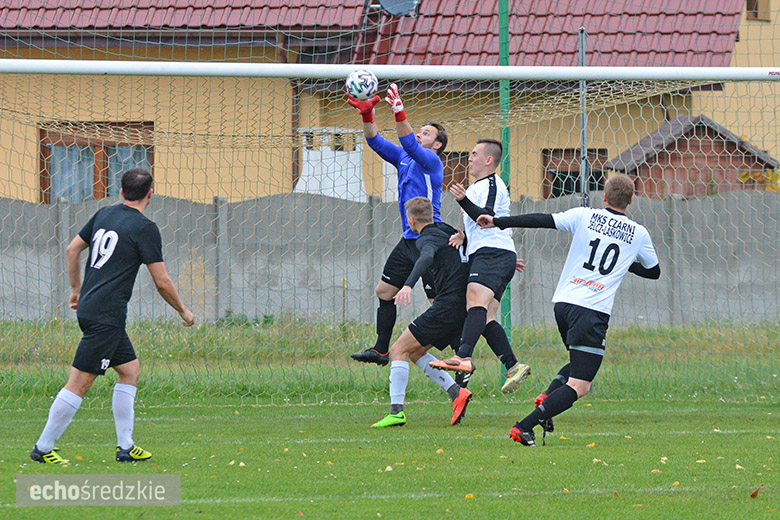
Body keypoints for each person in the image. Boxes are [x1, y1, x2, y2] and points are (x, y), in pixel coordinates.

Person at [476, 174, 660, 446]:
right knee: (581, 384)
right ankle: (524, 425)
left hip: (563, 304)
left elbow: (541, 220)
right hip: (592, 310)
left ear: (605, 196)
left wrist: (498, 221)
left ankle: (548, 398)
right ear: (631, 200)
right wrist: (626, 261)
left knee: (578, 363)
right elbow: (653, 271)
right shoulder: (638, 233)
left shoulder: (584, 215)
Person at [30, 168, 195, 464]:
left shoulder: (105, 213)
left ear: (120, 192)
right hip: (106, 315)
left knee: (130, 370)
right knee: (79, 382)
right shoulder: (145, 228)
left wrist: (76, 290)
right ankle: (43, 448)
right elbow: (162, 281)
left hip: (96, 309)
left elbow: (72, 249)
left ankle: (126, 446)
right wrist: (183, 310)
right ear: (151, 193)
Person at [347, 83, 447, 367]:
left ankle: (460, 352)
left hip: (429, 238)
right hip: (408, 239)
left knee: (437, 305)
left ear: (437, 145)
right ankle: (381, 350)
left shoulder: (431, 162)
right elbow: (375, 141)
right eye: (420, 129)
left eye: (426, 132)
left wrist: (399, 111)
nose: (419, 133)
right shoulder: (404, 157)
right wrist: (368, 115)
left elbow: (409, 143)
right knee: (384, 292)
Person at [429, 139, 530, 394]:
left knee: (474, 301)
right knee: (485, 317)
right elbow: (478, 223)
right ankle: (513, 365)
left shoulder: (491, 184)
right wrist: (464, 235)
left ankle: (463, 357)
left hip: (491, 254)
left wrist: (463, 201)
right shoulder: (478, 186)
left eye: (474, 154)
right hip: (493, 254)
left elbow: (486, 216)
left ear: (488, 160)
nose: (469, 158)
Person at [371, 197, 472, 428]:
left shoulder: (425, 239)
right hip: (462, 305)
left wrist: (407, 284)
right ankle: (457, 393)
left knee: (398, 349)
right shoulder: (448, 229)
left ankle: (396, 411)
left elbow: (426, 256)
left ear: (411, 220)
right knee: (414, 351)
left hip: (447, 306)